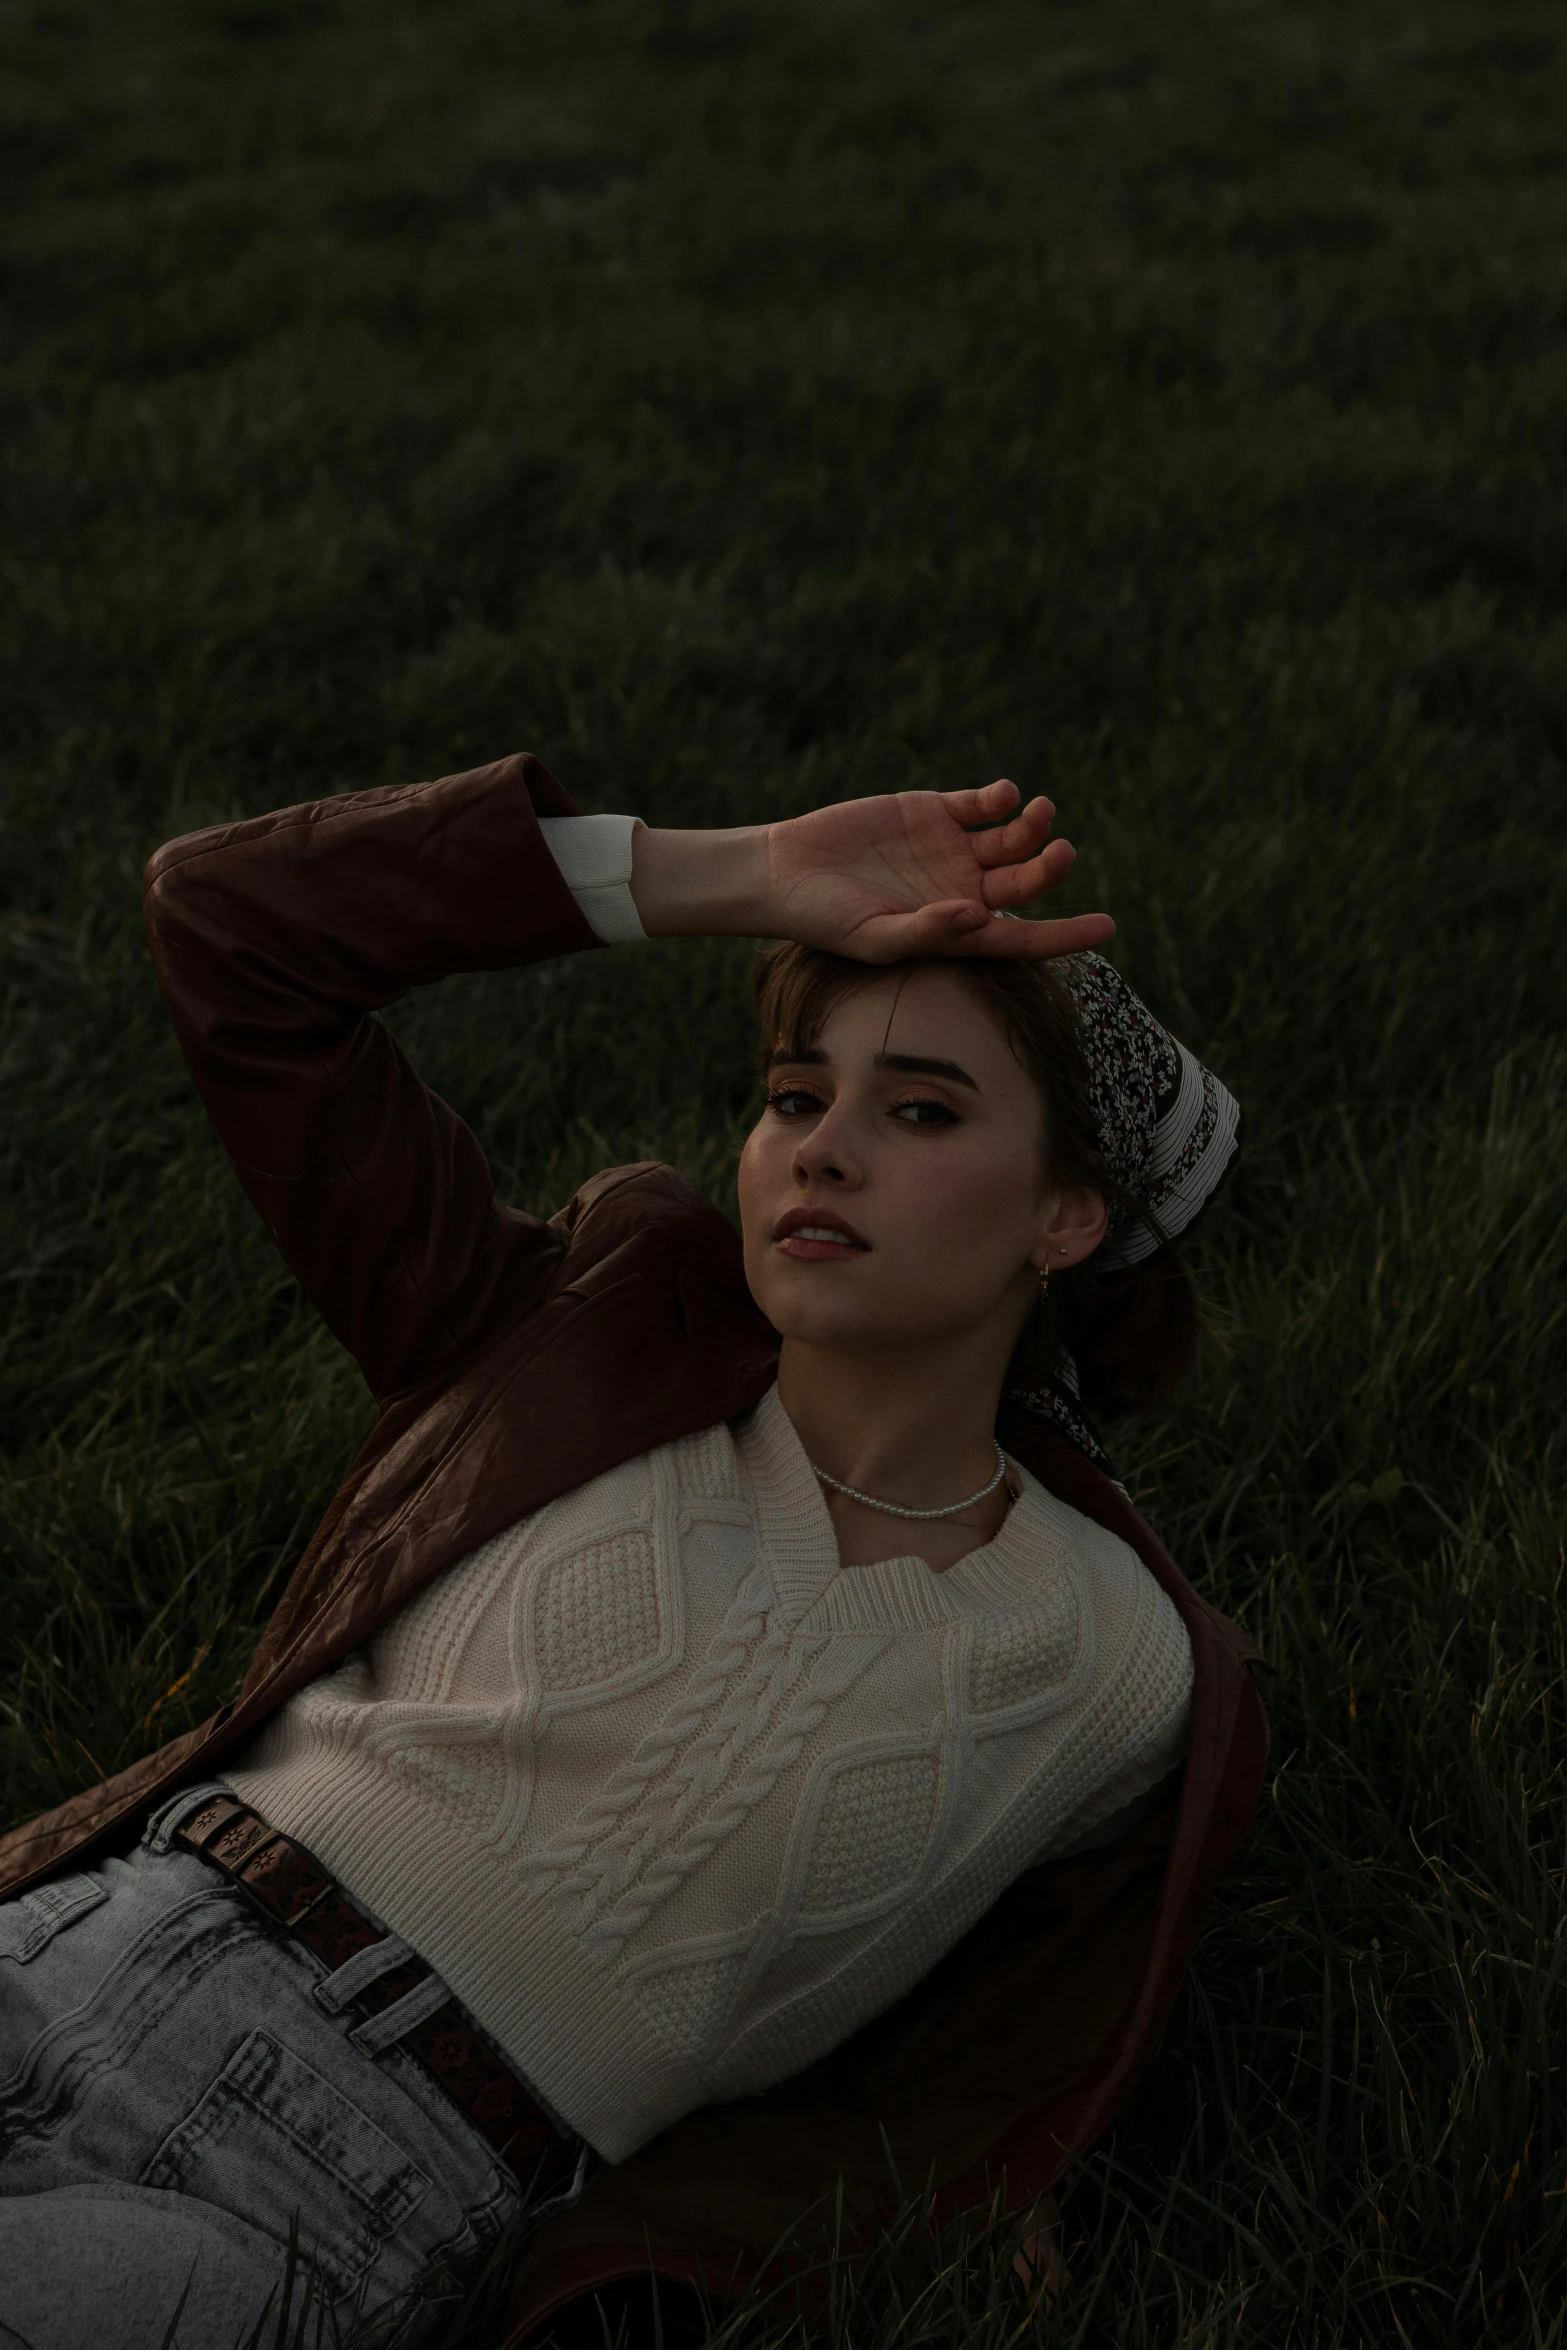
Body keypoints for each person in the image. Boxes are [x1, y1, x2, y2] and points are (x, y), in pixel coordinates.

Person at [0, 756, 1265, 2348]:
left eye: (920, 1109)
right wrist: (723, 872)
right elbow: (231, 928)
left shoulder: (1118, 1663)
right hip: (73, 1945)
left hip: (316, 2200)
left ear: (1066, 1213)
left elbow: (1009, 2060)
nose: (820, 1147)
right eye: (795, 1093)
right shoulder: (582, 1325)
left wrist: (974, 2190)